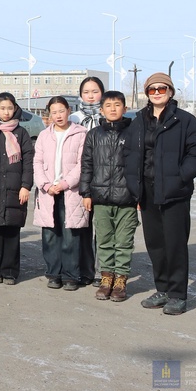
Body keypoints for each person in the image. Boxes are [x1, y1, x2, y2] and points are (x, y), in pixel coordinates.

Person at [124, 73, 196, 315]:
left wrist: (181, 176)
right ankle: (162, 289)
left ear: (170, 91)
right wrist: (134, 184)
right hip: (147, 191)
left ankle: (177, 295)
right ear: (147, 93)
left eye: (162, 88)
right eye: (152, 89)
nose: (157, 92)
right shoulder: (140, 120)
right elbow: (129, 153)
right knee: (155, 244)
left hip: (174, 192)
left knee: (175, 244)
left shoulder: (185, 121)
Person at [79, 90, 136, 302]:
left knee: (123, 242)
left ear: (125, 108)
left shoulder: (133, 133)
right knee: (104, 240)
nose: (113, 109)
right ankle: (106, 278)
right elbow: (87, 165)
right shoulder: (94, 135)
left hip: (127, 198)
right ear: (101, 110)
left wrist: (139, 195)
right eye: (108, 106)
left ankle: (120, 280)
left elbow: (140, 165)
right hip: (100, 197)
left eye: (117, 105)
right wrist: (86, 192)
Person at [32, 96, 89, 291]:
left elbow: (83, 165)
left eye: (61, 111)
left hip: (70, 192)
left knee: (70, 234)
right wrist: (45, 185)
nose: (58, 115)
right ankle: (53, 274)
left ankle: (71, 275)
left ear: (68, 111)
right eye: (54, 112)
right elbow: (37, 163)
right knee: (50, 234)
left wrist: (64, 184)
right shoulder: (43, 135)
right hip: (48, 192)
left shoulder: (81, 133)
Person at [0, 93, 34, 285]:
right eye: (2, 108)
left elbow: (28, 163)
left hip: (15, 190)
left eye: (10, 108)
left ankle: (10, 271)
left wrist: (25, 186)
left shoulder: (21, 133)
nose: (6, 112)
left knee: (12, 233)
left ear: (15, 109)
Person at [69, 75, 106, 286]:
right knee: (81, 227)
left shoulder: (108, 116)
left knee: (101, 227)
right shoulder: (73, 118)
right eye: (86, 92)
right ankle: (83, 269)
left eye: (95, 91)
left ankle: (102, 271)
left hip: (103, 179)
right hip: (79, 179)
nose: (91, 96)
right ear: (80, 95)